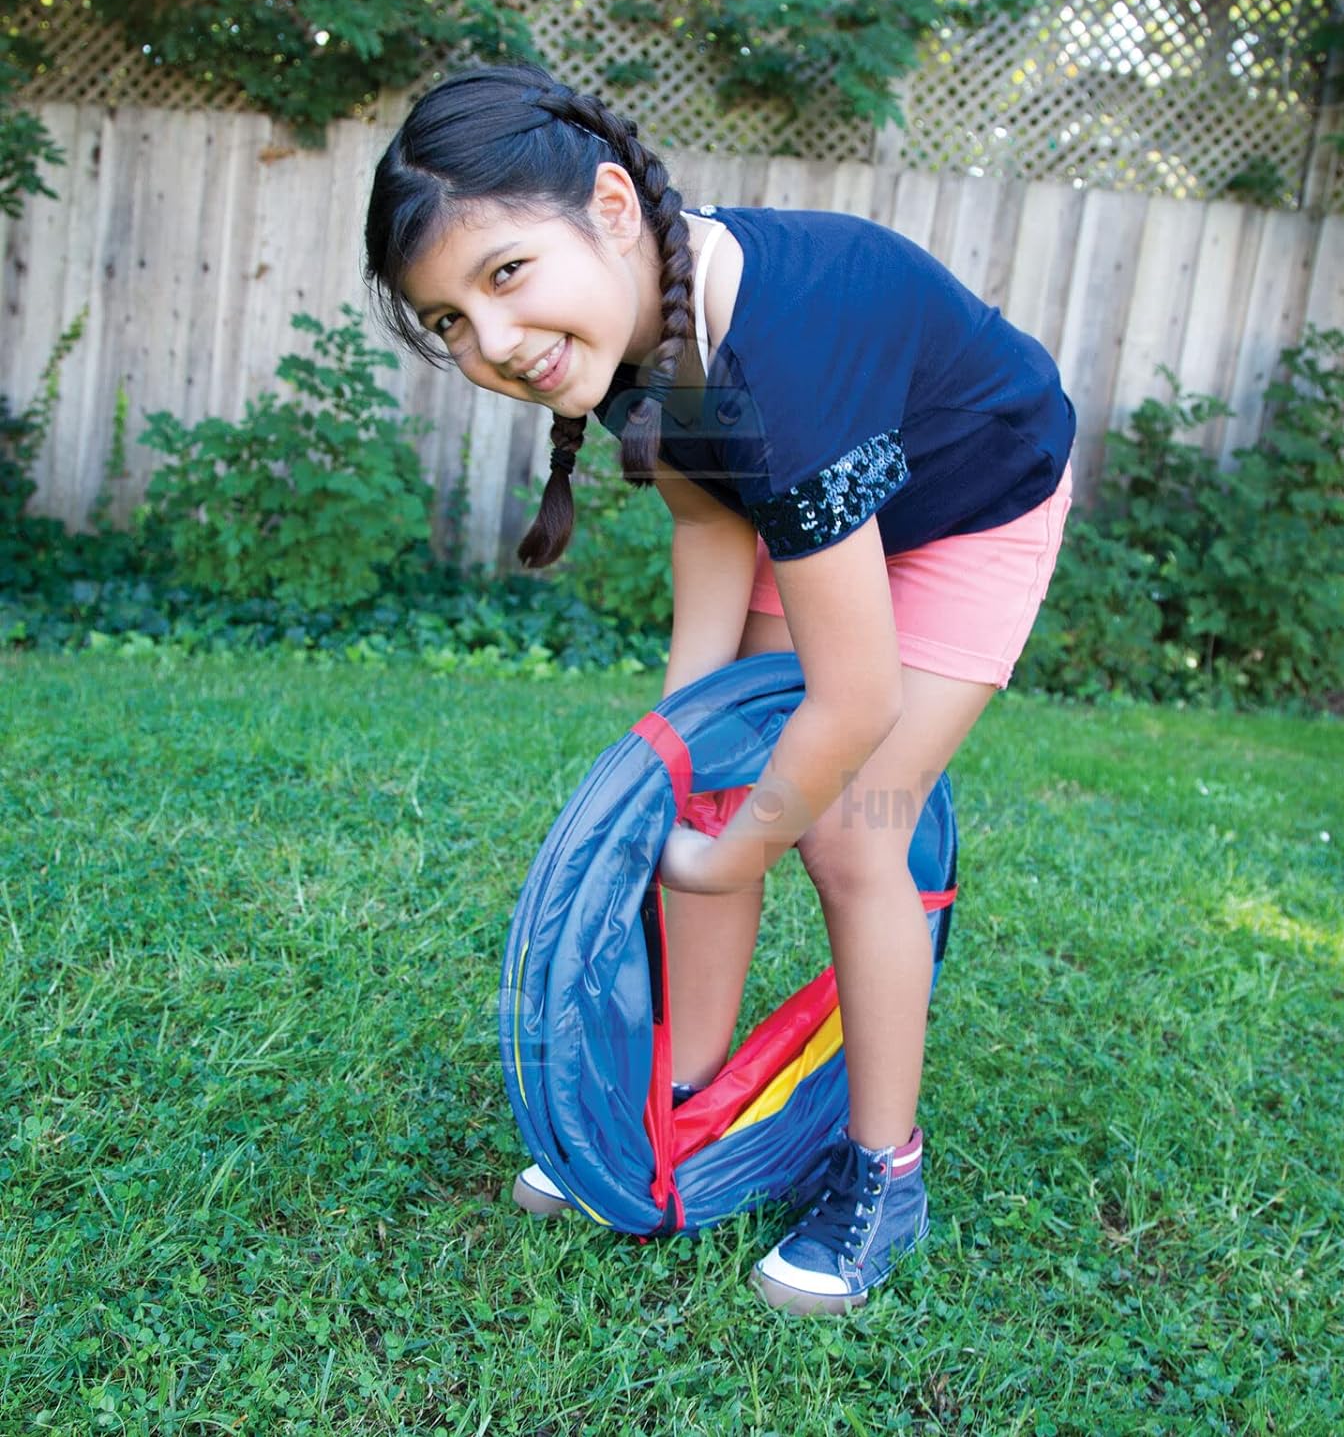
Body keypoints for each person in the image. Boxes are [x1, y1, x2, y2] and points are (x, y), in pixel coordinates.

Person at [364, 64, 1075, 1316]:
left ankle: (883, 1174)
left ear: (612, 207)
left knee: (856, 841)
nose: (492, 343)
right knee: (714, 809)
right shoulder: (646, 331)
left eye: (505, 274)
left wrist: (734, 847)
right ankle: (683, 1108)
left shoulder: (778, 370)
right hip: (820, 504)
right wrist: (682, 771)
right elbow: (709, 523)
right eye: (450, 322)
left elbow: (849, 704)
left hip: (972, 508)